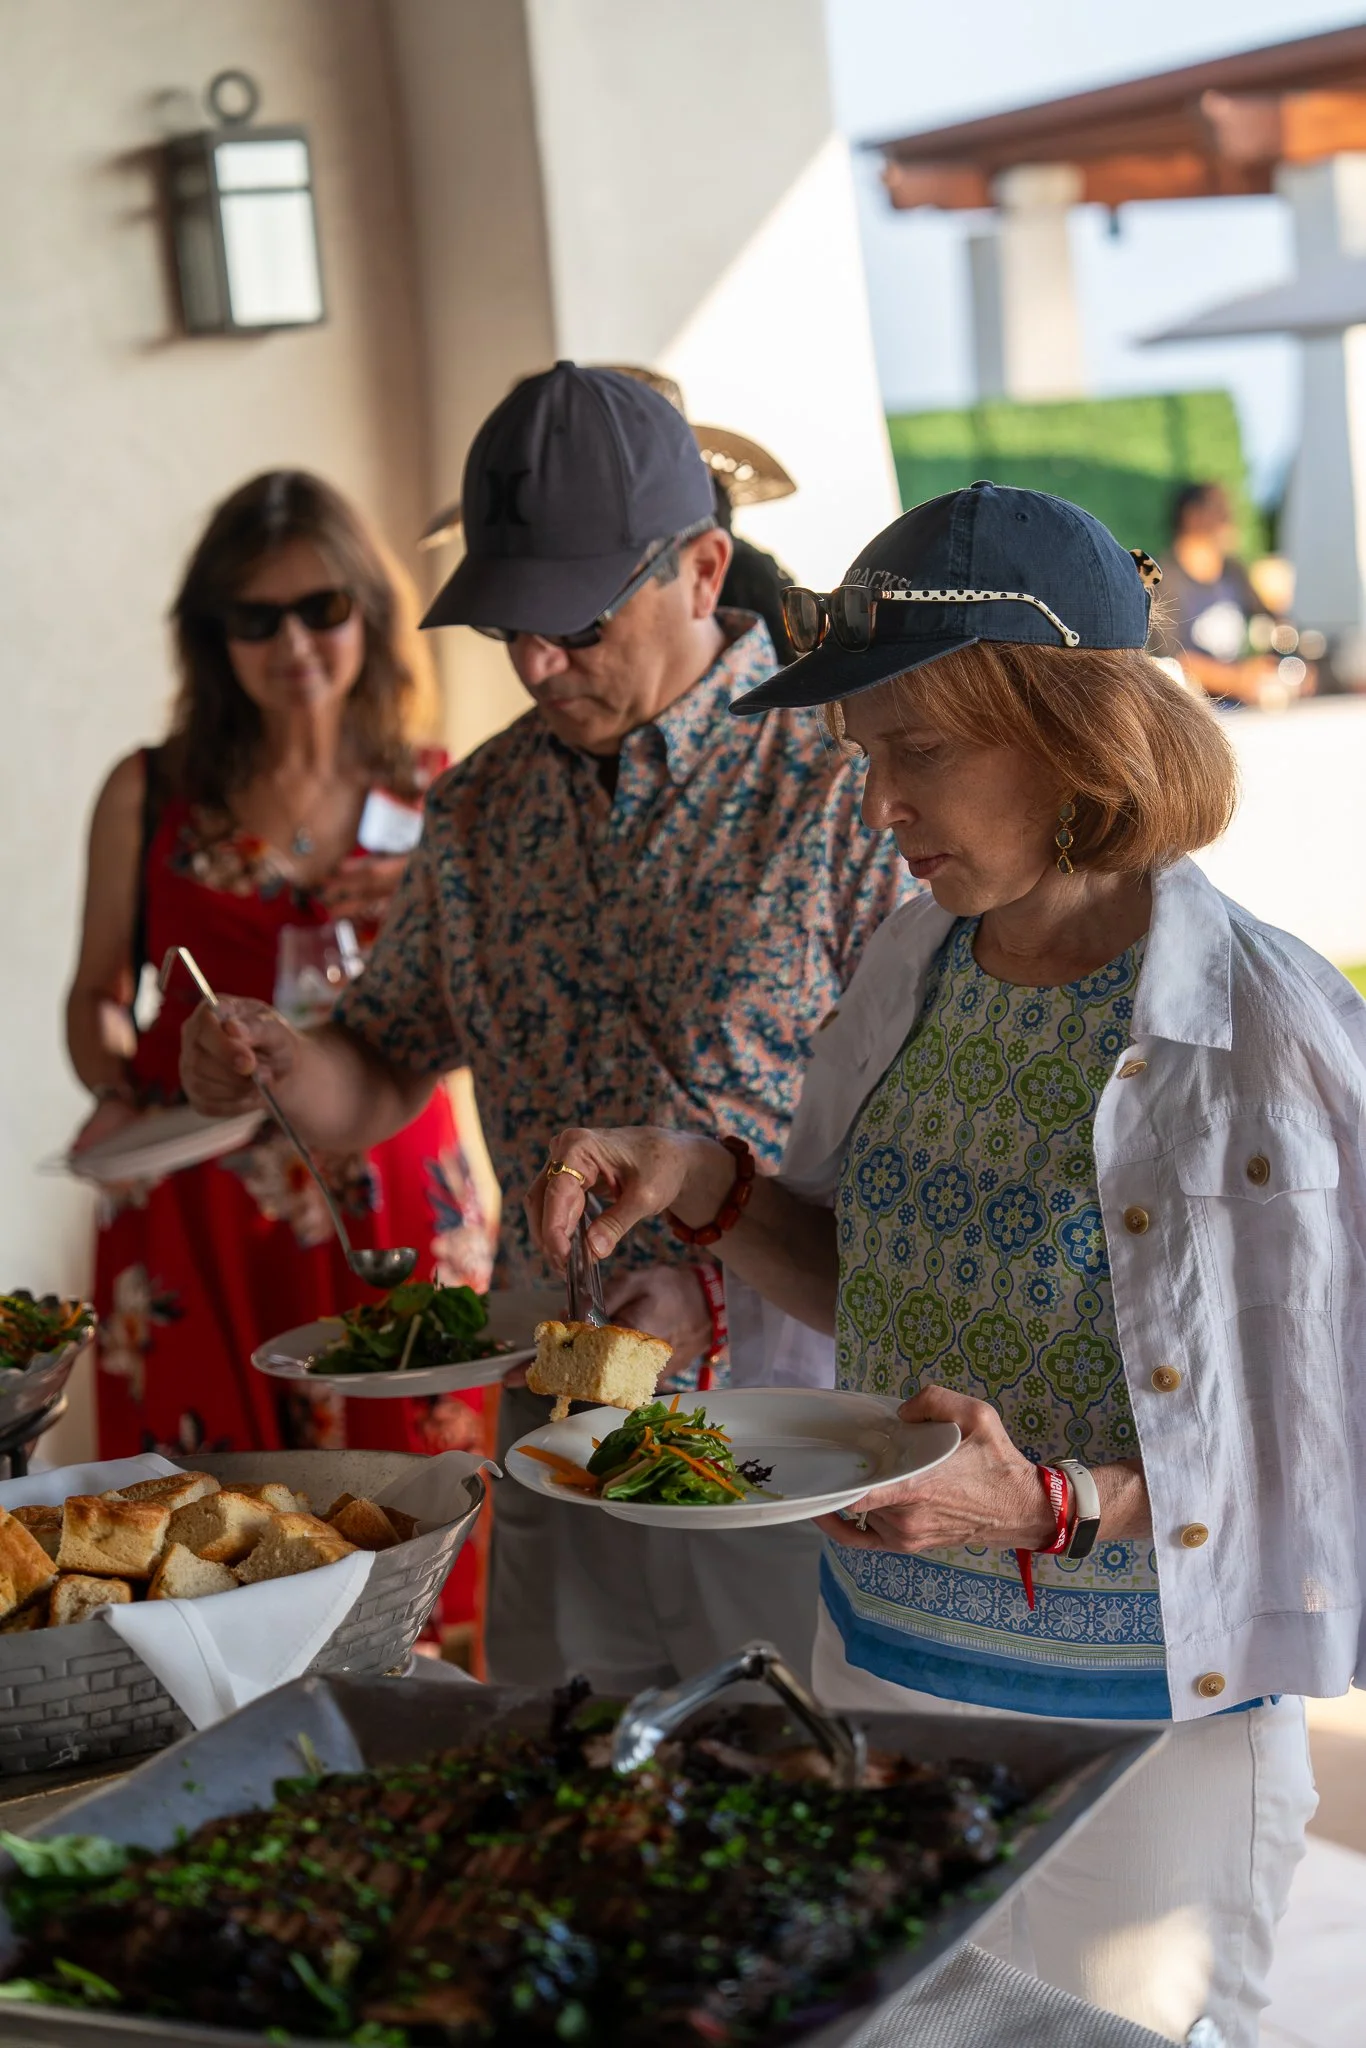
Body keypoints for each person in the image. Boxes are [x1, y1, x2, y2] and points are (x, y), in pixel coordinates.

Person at [527, 479, 1366, 2047]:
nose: (876, 808)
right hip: (879, 1662)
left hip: (1141, 1731)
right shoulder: (914, 963)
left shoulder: (1264, 1031)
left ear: (1069, 736)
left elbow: (1324, 1443)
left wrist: (1050, 1504)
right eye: (865, 758)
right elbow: (878, 1280)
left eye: (914, 753)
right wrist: (703, 1183)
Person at [178, 364, 912, 1693]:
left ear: (702, 568)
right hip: (555, 1416)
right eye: (506, 627)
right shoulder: (479, 808)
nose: (533, 664)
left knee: (787, 1778)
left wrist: (714, 1294)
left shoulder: (848, 779)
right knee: (553, 1769)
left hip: (793, 1423)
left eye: (573, 623)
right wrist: (282, 1062)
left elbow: (924, 1152)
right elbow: (380, 1062)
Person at [67, 471, 493, 1535]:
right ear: (213, 635)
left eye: (321, 607)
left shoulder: (440, 792)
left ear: (369, 613)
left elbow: (492, 1007)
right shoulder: (150, 790)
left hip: (386, 1187)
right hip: (194, 1194)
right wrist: (115, 1079)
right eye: (256, 618)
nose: (292, 642)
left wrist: (432, 908)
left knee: (407, 1517)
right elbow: (98, 996)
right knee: (202, 1527)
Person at [1153, 480, 1299, 708]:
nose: (1230, 522)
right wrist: (1238, 678)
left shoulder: (1233, 571)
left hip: (1239, 709)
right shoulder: (1164, 578)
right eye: (1219, 512)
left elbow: (1275, 622)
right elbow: (1168, 661)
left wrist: (1288, 665)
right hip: (1192, 712)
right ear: (1192, 516)